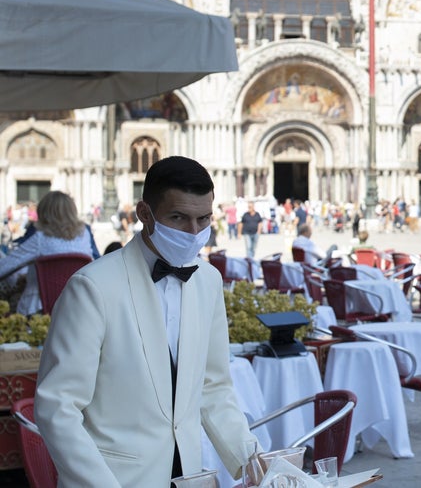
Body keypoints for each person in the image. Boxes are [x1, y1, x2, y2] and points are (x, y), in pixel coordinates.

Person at [36, 156, 258, 485]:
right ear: (144, 213)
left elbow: (213, 387)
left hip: (188, 475)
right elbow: (58, 406)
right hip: (114, 479)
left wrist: (253, 463)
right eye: (178, 217)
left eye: (203, 219)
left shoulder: (208, 280)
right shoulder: (92, 286)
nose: (194, 232)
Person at [0, 191, 99, 314]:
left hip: (39, 310)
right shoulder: (85, 235)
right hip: (76, 309)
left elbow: (4, 267)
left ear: (43, 213)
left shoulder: (40, 239)